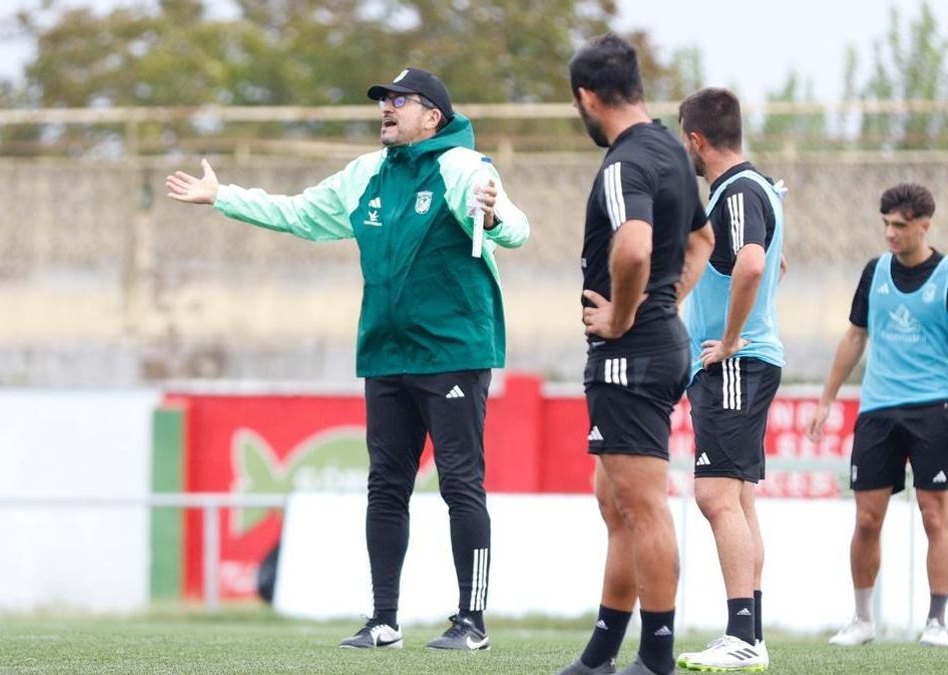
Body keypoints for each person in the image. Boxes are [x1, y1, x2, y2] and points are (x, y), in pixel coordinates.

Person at [166, 67, 529, 650]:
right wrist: (223, 197)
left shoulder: (464, 167)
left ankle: (472, 622)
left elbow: (514, 227)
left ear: (432, 116)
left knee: (462, 484)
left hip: (453, 352)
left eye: (399, 100)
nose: (386, 107)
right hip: (385, 352)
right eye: (384, 100)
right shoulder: (367, 174)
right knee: (386, 487)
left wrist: (491, 216)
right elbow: (302, 214)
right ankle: (384, 620)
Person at [557, 34, 714, 675]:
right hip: (654, 342)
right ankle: (600, 654)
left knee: (642, 506)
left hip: (631, 352)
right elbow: (703, 240)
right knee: (615, 501)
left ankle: (656, 659)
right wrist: (664, 305)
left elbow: (633, 249)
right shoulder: (671, 151)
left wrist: (626, 316)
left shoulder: (624, 162)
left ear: (587, 97)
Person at [671, 88, 786, 671]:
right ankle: (750, 633)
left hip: (734, 363)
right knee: (737, 497)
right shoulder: (758, 187)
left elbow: (756, 261)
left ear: (696, 139)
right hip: (745, 360)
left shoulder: (735, 190)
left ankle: (742, 636)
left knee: (715, 494)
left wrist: (735, 335)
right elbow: (775, 262)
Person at [807, 183, 948, 649]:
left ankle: (938, 623)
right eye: (885, 224)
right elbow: (854, 336)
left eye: (900, 226)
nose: (890, 233)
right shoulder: (875, 272)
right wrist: (827, 399)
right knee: (867, 520)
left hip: (934, 408)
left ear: (924, 226)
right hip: (878, 410)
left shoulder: (946, 274)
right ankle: (863, 620)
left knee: (934, 517)